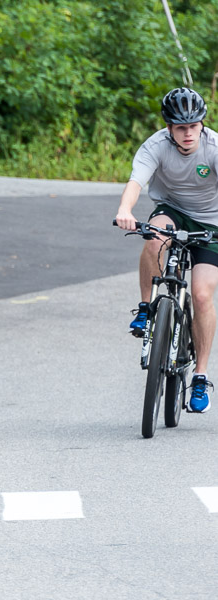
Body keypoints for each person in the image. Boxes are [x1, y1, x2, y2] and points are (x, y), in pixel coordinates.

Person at [115, 86, 218, 413]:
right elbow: (136, 182)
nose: (188, 134)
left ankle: (200, 377)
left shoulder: (214, 148)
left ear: (201, 124)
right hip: (172, 210)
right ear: (169, 127)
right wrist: (125, 210)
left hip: (212, 222)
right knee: (154, 238)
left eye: (193, 126)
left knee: (201, 294)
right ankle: (146, 308)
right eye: (181, 127)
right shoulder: (156, 146)